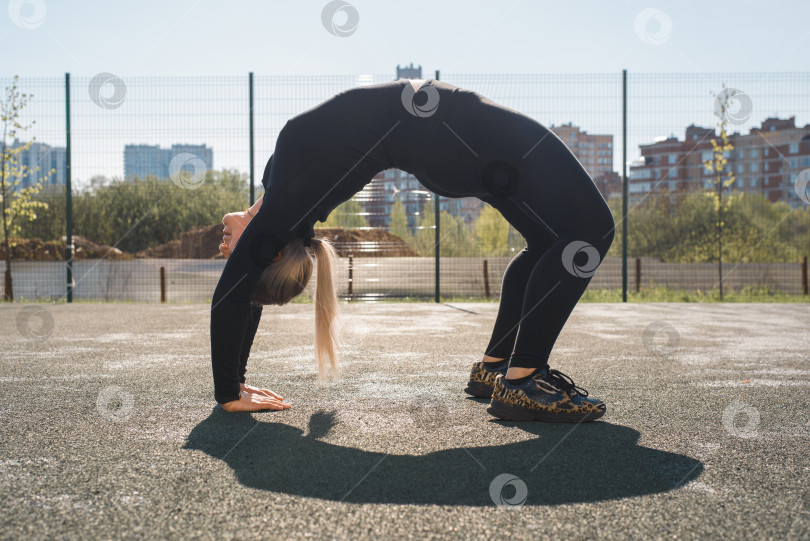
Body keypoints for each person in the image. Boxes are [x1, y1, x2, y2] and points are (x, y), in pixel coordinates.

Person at [211, 78, 614, 422]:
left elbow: (245, 282)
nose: (224, 249)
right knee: (591, 229)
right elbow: (236, 289)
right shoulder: (288, 202)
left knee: (549, 241)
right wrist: (230, 391)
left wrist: (238, 377)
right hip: (455, 136)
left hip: (449, 141)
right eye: (235, 257)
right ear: (272, 255)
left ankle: (495, 368)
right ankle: (523, 381)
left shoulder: (281, 194)